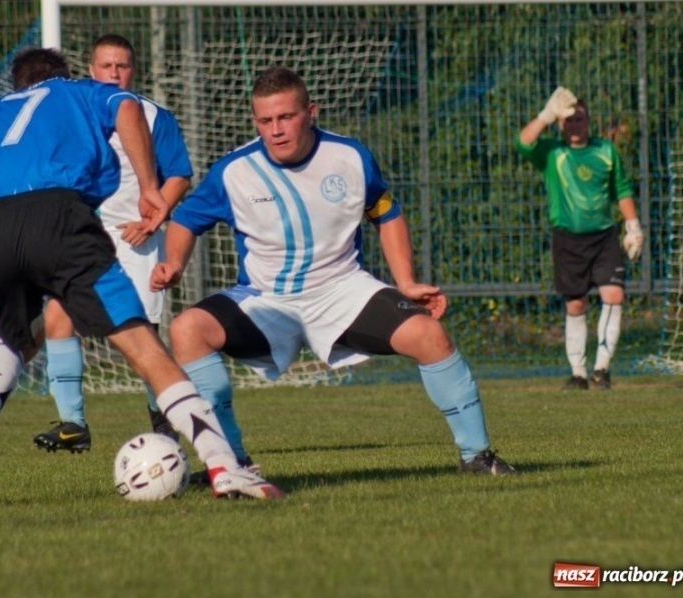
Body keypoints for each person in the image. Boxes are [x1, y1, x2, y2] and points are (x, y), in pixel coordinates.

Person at [0, 47, 283, 500]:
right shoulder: (80, 92)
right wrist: (149, 188)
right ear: (65, 74)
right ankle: (223, 466)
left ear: (16, 85)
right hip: (59, 216)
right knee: (145, 348)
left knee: (18, 336)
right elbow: (128, 106)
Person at [151, 66, 516, 479]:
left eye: (286, 117)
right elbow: (186, 220)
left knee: (429, 336)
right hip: (264, 300)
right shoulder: (234, 170)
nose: (276, 130)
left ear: (311, 112)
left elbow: (385, 211)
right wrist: (175, 263)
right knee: (187, 330)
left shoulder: (350, 157)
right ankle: (233, 462)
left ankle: (477, 457)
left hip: (343, 291)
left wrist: (407, 281)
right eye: (265, 121)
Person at [32, 34, 191, 453]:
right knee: (57, 317)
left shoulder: (156, 117)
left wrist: (154, 217)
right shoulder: (73, 115)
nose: (114, 73)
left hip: (135, 239)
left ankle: (164, 424)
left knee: (142, 336)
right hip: (82, 238)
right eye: (106, 66)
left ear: (133, 71)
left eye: (122, 66)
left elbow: (178, 174)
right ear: (91, 70)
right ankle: (72, 424)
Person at [516, 87, 643, 390]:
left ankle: (602, 370)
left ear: (588, 121)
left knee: (614, 296)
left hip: (604, 237)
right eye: (569, 119)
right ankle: (578, 373)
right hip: (568, 239)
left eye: (580, 119)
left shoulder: (605, 151)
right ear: (561, 124)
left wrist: (633, 225)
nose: (575, 125)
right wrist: (546, 115)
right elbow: (522, 143)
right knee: (575, 305)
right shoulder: (552, 153)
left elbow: (622, 189)